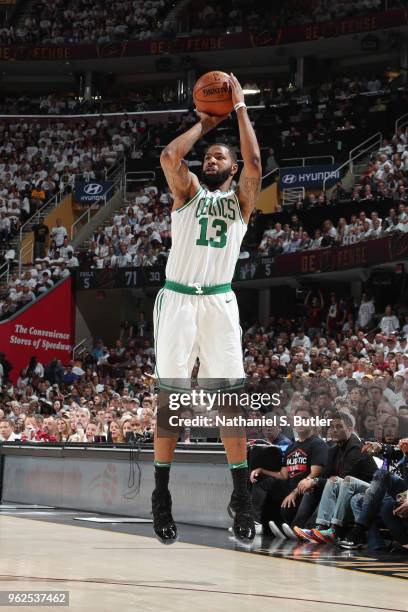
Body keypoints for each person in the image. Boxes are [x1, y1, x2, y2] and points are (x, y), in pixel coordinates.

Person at [151, 74, 262, 545]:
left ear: (232, 170)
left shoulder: (240, 203)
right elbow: (169, 157)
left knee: (228, 401)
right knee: (172, 402)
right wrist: (202, 123)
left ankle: (242, 494)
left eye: (221, 157)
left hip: (218, 300)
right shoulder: (188, 193)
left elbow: (255, 159)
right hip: (177, 298)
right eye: (209, 156)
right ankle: (161, 495)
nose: (213, 158)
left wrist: (238, 109)